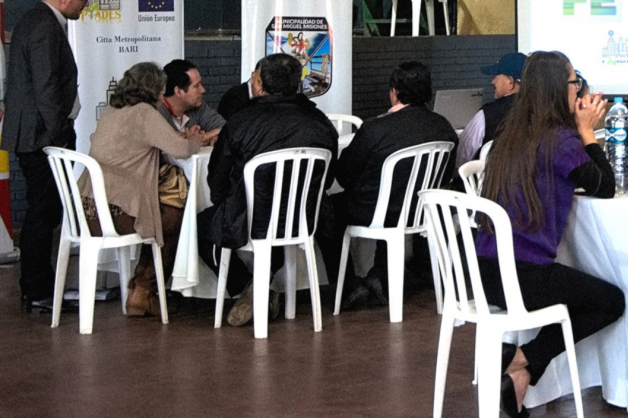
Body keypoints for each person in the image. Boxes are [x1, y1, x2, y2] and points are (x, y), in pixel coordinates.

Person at [474, 51, 624, 418]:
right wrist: (587, 131)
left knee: (576, 291)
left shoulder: (509, 133)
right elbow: (604, 186)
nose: (579, 89)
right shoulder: (561, 140)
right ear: (560, 89)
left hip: (482, 272)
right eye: (575, 82)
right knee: (610, 301)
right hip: (522, 277)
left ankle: (519, 372)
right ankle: (521, 359)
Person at [198, 53, 339, 327]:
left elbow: (216, 181)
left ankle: (247, 288)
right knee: (275, 224)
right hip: (305, 219)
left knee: (200, 225)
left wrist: (230, 204)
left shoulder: (241, 122)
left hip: (252, 220)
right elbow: (328, 176)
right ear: (298, 83)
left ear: (259, 84)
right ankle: (256, 289)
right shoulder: (320, 121)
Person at [318, 61, 459, 308]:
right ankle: (379, 276)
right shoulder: (444, 127)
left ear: (394, 92)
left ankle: (349, 285)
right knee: (392, 201)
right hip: (421, 211)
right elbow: (445, 175)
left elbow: (344, 177)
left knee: (326, 209)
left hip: (376, 211)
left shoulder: (375, 129)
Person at [80, 63, 207, 316]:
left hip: (86, 210)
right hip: (115, 213)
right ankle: (143, 290)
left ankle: (141, 290)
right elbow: (181, 150)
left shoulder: (112, 110)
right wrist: (195, 139)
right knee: (174, 218)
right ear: (154, 90)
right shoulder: (144, 113)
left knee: (163, 215)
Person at [1, 0, 87, 311]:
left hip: (37, 134)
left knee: (45, 210)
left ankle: (39, 286)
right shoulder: (44, 26)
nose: (85, 6)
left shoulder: (39, 21)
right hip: (41, 138)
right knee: (43, 210)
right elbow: (46, 87)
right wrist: (59, 137)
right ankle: (38, 289)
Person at [456, 52, 526, 166]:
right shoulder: (542, 112)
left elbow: (462, 156)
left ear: (510, 81)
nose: (492, 81)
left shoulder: (487, 114)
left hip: (494, 176)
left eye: (496, 76)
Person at [158, 59, 225, 145]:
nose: (203, 90)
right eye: (197, 86)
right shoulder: (155, 111)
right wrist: (195, 139)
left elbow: (227, 128)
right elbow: (162, 138)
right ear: (178, 92)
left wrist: (210, 136)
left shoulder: (198, 105)